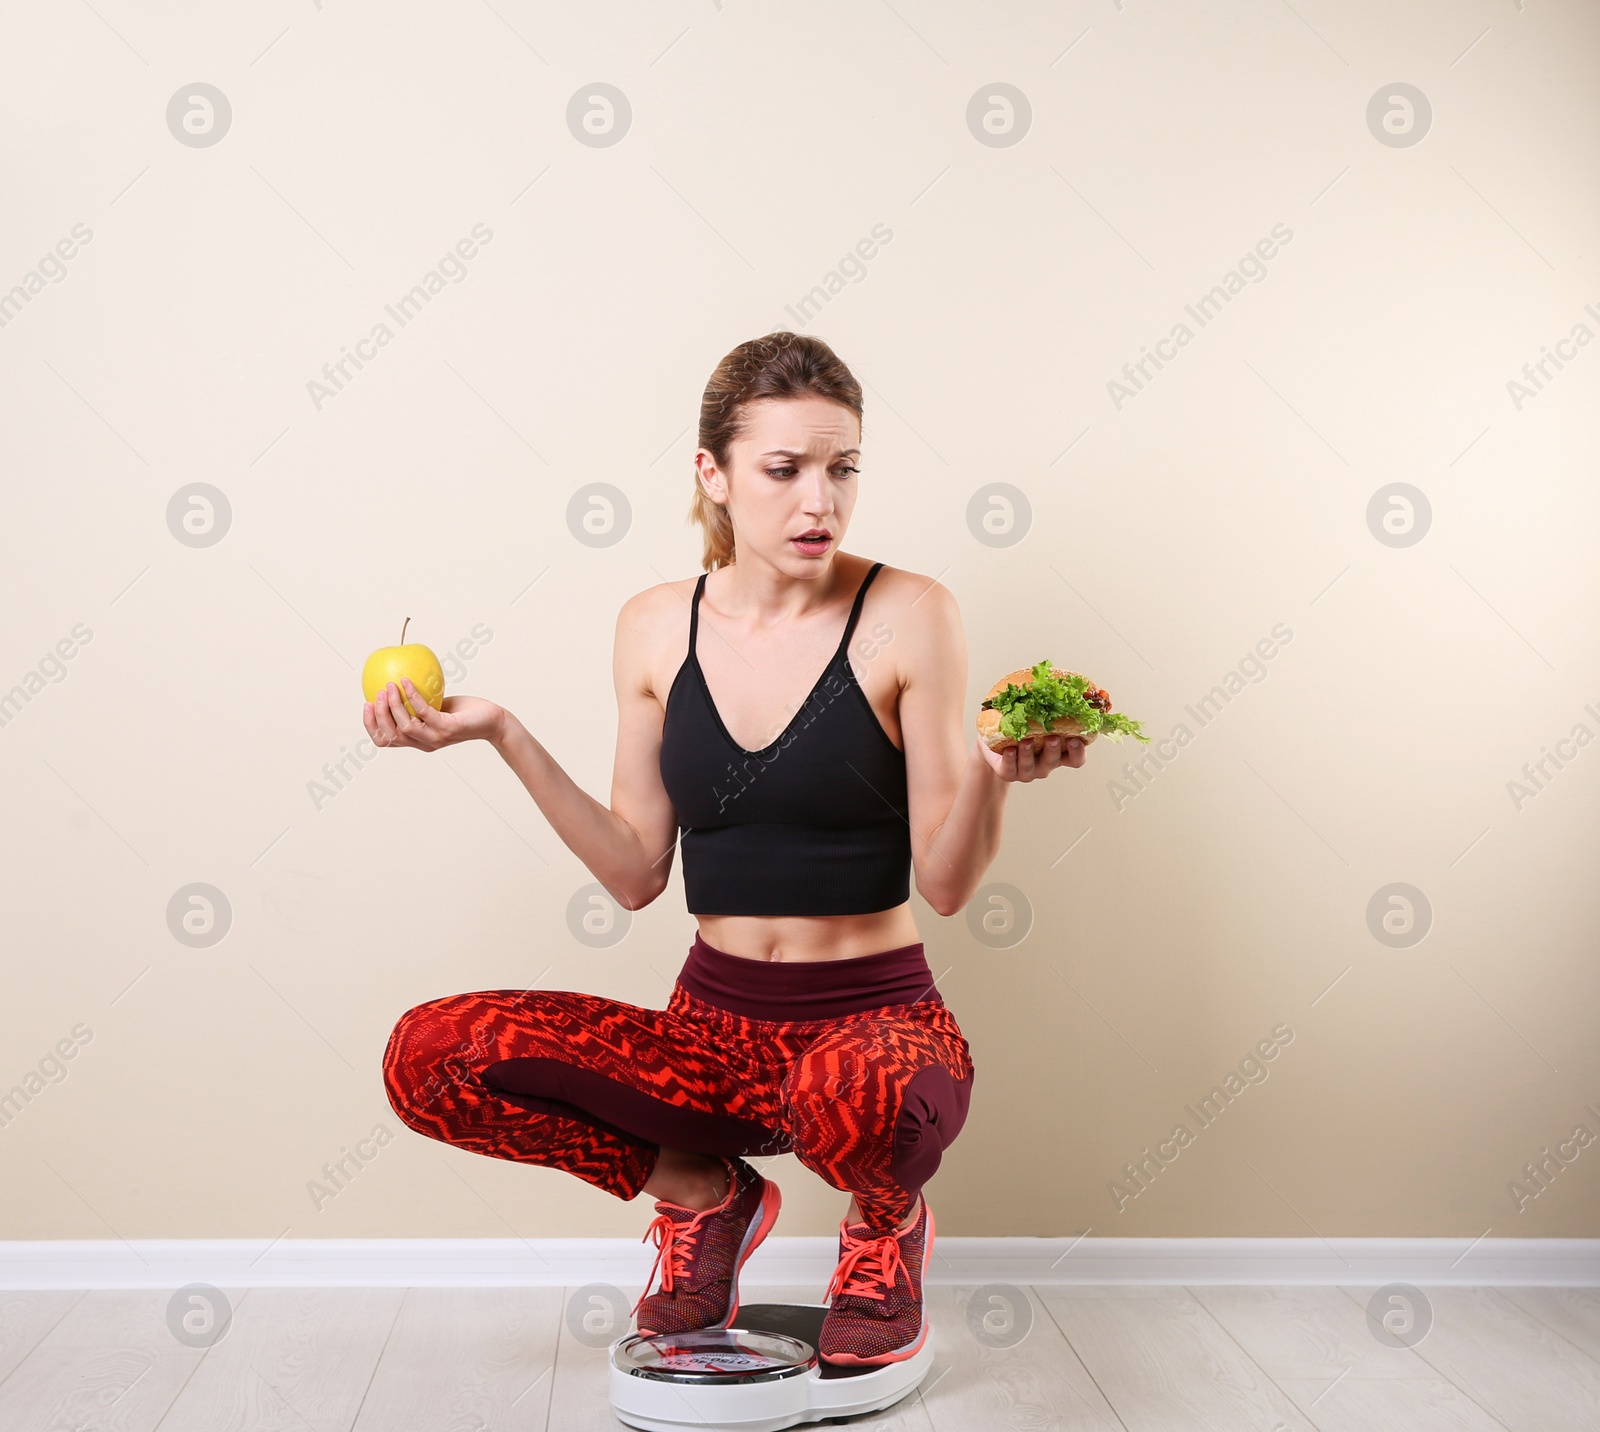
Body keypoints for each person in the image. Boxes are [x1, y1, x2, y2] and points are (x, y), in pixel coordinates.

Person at [371, 331, 1084, 1366]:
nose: (819, 503)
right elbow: (631, 871)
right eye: (784, 469)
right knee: (431, 1058)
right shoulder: (655, 626)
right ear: (712, 472)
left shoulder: (911, 612)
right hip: (711, 1036)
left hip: (878, 1029)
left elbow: (946, 881)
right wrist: (502, 732)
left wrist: (989, 767)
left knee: (856, 1092)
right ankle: (707, 1201)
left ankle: (885, 1228)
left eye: (842, 470)